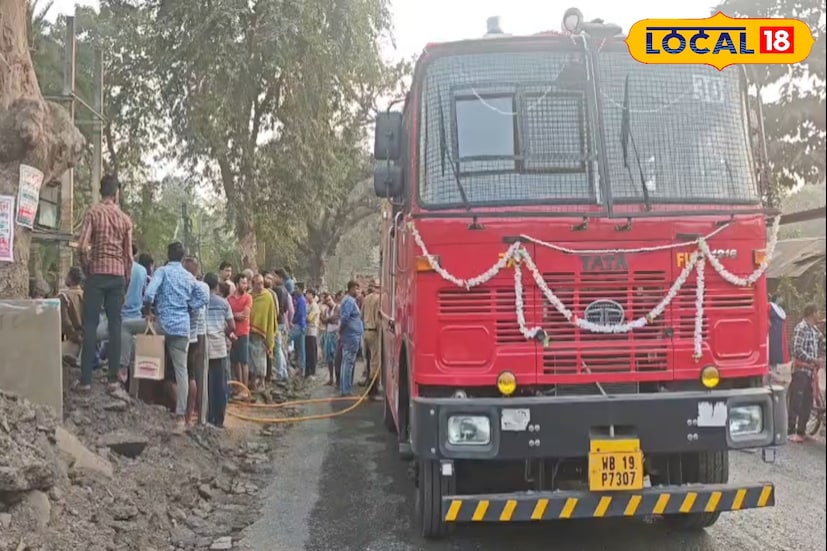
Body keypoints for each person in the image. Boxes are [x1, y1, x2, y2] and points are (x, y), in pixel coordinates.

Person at [142, 242, 209, 430]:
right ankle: (181, 417)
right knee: (182, 372)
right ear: (181, 257)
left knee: (146, 355)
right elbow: (204, 295)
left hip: (163, 325)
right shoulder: (189, 277)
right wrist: (190, 306)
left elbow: (148, 294)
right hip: (183, 328)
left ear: (168, 254)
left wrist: (149, 312)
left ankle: (145, 402)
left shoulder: (162, 272)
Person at [77, 174, 133, 392]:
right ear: (116, 193)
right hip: (117, 275)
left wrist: (87, 268)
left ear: (101, 192)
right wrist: (125, 281)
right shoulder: (125, 220)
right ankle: (112, 380)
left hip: (96, 274)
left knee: (90, 325)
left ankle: (85, 380)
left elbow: (82, 247)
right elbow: (129, 256)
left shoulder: (93, 213)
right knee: (116, 325)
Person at [788, 303, 825, 442]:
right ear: (812, 313)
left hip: (811, 372)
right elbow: (797, 349)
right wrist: (813, 360)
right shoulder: (801, 328)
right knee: (796, 401)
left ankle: (801, 431)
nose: (819, 314)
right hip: (801, 370)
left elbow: (823, 342)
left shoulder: (814, 330)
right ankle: (791, 431)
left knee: (808, 402)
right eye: (817, 312)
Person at [204, 272, 235, 428]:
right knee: (220, 384)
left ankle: (208, 418)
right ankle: (219, 419)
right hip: (219, 348)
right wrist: (225, 331)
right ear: (217, 286)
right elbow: (232, 326)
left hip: (204, 348)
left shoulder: (201, 302)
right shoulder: (224, 303)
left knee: (207, 383)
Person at [183, 257, 209, 426]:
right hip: (200, 334)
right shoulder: (203, 287)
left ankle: (188, 414)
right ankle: (200, 416)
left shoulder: (190, 287)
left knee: (188, 375)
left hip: (190, 335)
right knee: (198, 376)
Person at [249, 273, 277, 392]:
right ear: (253, 284)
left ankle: (262, 382)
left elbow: (271, 315)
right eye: (258, 283)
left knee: (261, 359)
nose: (260, 286)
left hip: (263, 332)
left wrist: (269, 332)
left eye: (262, 283)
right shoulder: (249, 296)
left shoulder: (268, 296)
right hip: (250, 332)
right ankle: (253, 381)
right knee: (251, 358)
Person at [228, 273, 253, 393]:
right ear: (237, 284)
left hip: (243, 332)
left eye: (246, 283)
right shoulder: (229, 299)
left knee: (244, 361)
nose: (245, 285)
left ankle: (245, 388)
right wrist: (235, 315)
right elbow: (228, 316)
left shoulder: (248, 297)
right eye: (243, 283)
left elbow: (245, 316)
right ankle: (239, 386)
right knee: (236, 361)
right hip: (233, 333)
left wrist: (232, 315)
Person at [338, 281, 364, 396]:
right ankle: (346, 390)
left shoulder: (347, 300)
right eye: (357, 289)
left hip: (350, 335)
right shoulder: (349, 301)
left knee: (346, 363)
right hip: (351, 336)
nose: (358, 292)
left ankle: (345, 388)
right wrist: (340, 331)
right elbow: (345, 318)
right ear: (351, 288)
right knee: (348, 363)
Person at [58, 266, 85, 365]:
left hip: (71, 342)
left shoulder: (64, 297)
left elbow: (65, 322)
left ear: (69, 278)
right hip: (84, 342)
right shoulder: (85, 295)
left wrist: (73, 336)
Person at [361, 282, 381, 392]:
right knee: (375, 361)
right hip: (374, 332)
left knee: (367, 358)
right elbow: (378, 319)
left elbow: (361, 314)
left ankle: (367, 381)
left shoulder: (366, 298)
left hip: (365, 331)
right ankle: (373, 389)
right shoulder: (379, 299)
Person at [768, 295, 789, 384]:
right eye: (781, 297)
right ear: (777, 298)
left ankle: (775, 369)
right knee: (773, 350)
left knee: (777, 350)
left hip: (779, 333)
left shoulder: (779, 309)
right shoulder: (769, 306)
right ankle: (771, 370)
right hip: (773, 332)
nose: (782, 299)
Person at [321, 292, 340, 386]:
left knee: (336, 357)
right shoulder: (327, 310)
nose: (329, 302)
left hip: (335, 334)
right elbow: (323, 320)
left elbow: (335, 318)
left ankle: (338, 379)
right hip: (328, 333)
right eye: (327, 300)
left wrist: (327, 319)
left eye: (330, 299)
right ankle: (331, 378)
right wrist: (328, 319)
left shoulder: (337, 307)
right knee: (329, 358)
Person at [289, 280, 307, 375]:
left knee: (287, 339)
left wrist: (292, 321)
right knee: (300, 348)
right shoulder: (300, 299)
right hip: (302, 326)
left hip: (299, 325)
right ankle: (301, 368)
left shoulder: (301, 300)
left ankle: (300, 367)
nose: (295, 290)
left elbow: (299, 314)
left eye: (296, 288)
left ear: (300, 289)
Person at [305, 289, 320, 378]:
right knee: (307, 351)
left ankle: (313, 371)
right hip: (307, 331)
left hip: (312, 331)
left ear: (313, 295)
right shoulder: (307, 305)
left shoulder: (314, 306)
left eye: (309, 294)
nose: (307, 295)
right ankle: (308, 371)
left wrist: (304, 315)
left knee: (312, 352)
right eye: (306, 294)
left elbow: (309, 318)